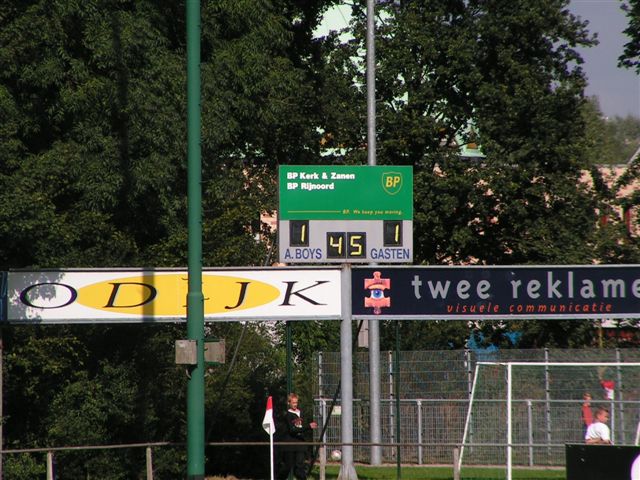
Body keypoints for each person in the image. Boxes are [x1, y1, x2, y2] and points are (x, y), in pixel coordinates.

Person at [277, 392, 318, 480]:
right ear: (289, 403)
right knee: (287, 466)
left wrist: (310, 426)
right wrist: (308, 427)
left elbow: (303, 427)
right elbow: (292, 430)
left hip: (300, 444)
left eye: (296, 402)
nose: (295, 404)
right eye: (293, 403)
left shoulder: (301, 413)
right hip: (290, 444)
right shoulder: (288, 415)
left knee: (299, 466)